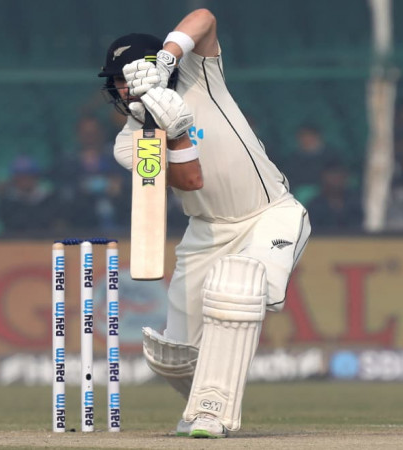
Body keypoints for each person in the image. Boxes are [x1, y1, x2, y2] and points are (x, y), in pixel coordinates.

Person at [99, 9, 311, 438]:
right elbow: (190, 180)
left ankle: (213, 411)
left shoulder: (200, 74)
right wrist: (173, 131)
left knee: (237, 289)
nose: (122, 88)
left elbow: (205, 17)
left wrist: (168, 57)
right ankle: (201, 406)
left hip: (269, 214)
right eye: (117, 81)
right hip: (206, 232)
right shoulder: (131, 141)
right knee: (173, 356)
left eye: (128, 75)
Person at [0, 155, 63, 234]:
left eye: (28, 176)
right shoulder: (7, 202)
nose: (25, 181)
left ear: (35, 177)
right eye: (21, 177)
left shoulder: (49, 199)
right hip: (15, 242)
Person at [307, 160, 363, 231]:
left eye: (340, 175)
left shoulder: (356, 203)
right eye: (332, 175)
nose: (336, 179)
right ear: (323, 177)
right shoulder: (315, 205)